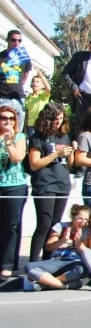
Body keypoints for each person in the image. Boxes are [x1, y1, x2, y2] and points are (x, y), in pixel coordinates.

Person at [26, 103, 74, 265]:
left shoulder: (63, 136)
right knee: (44, 224)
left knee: (55, 225)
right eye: (54, 119)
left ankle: (47, 260)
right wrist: (56, 154)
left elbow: (69, 164)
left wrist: (70, 152)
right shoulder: (38, 137)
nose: (58, 122)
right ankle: (33, 262)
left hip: (62, 183)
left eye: (60, 119)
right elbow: (34, 164)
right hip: (45, 184)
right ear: (47, 119)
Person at [23, 204, 91, 291]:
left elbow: (88, 251)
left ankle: (45, 284)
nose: (83, 222)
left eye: (86, 219)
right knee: (29, 267)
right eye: (80, 218)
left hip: (74, 262)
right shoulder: (60, 226)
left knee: (82, 269)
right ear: (73, 216)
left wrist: (78, 242)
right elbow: (48, 247)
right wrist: (63, 240)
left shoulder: (87, 230)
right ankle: (64, 285)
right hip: (57, 260)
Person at [0, 105, 27, 278]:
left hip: (15, 186)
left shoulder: (19, 137)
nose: (8, 121)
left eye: (11, 118)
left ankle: (7, 264)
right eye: (4, 118)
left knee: (11, 226)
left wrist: (9, 141)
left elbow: (17, 157)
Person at [0, 29, 32, 130]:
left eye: (19, 40)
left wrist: (19, 85)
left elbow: (26, 74)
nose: (16, 43)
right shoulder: (1, 57)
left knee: (17, 131)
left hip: (18, 97)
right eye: (13, 40)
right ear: (7, 40)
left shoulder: (24, 58)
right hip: (3, 97)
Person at [24, 69, 51, 133]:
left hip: (42, 124)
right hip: (30, 125)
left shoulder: (43, 96)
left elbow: (48, 88)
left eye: (37, 82)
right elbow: (26, 115)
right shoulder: (27, 98)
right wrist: (25, 128)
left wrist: (41, 75)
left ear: (42, 86)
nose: (35, 83)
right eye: (33, 81)